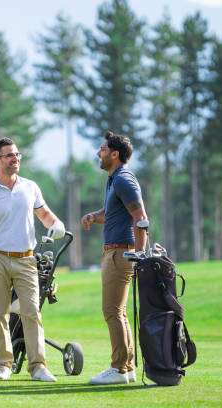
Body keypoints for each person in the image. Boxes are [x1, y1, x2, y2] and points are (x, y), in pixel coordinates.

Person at [0, 137, 66, 382]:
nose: (16, 159)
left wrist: (55, 224)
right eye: (9, 156)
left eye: (17, 154)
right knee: (0, 313)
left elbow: (44, 214)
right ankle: (3, 364)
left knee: (32, 311)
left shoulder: (30, 186)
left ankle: (38, 367)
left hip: (26, 259)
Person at [81, 131, 147, 385]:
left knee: (112, 311)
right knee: (118, 312)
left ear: (114, 154)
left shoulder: (123, 179)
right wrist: (93, 216)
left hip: (121, 252)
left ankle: (119, 369)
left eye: (102, 149)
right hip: (115, 250)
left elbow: (140, 217)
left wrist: (139, 253)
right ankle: (126, 367)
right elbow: (112, 213)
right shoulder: (114, 179)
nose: (99, 153)